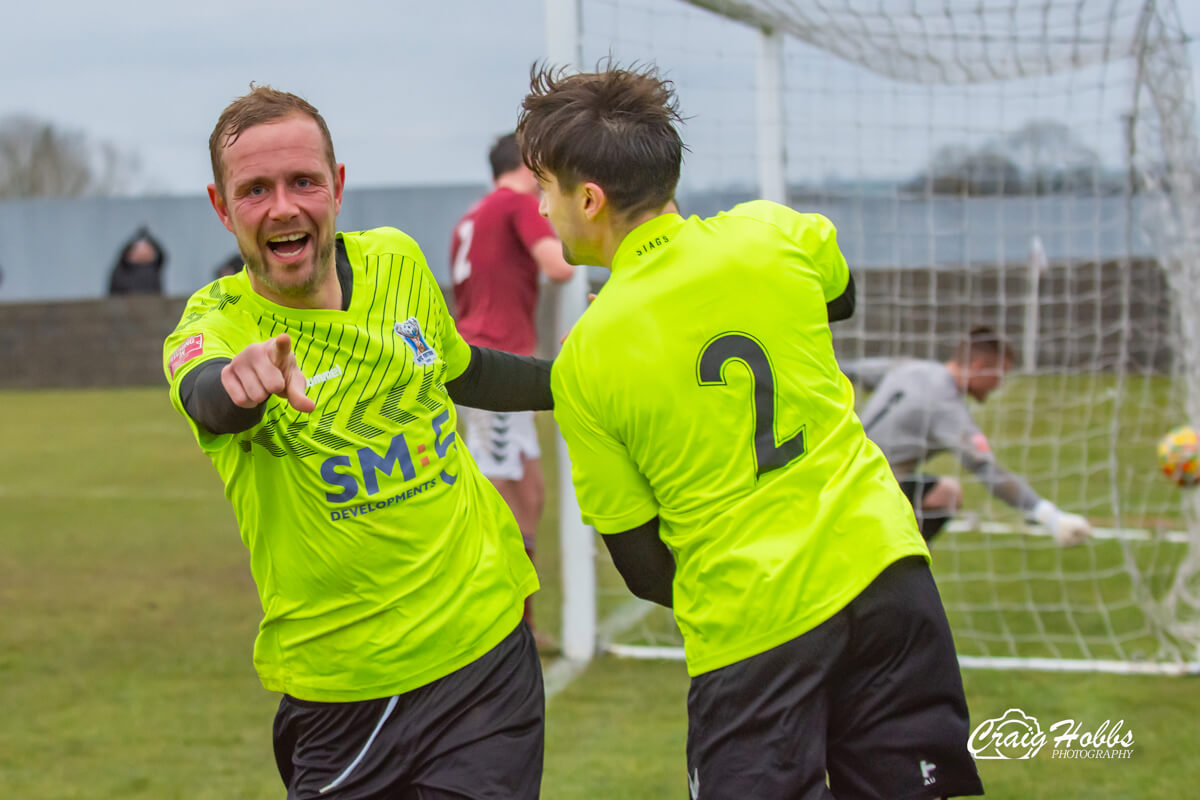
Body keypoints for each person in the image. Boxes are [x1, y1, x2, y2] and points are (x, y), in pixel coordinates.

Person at [520, 64, 984, 798]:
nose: (541, 208)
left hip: (753, 631)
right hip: (888, 576)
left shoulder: (586, 358)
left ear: (588, 197)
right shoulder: (774, 232)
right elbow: (840, 298)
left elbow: (643, 568)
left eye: (543, 187)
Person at [162, 86, 549, 800]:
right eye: (254, 190)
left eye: (303, 181)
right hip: (342, 693)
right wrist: (239, 384)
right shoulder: (215, 326)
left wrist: (580, 381)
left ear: (337, 188)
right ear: (222, 209)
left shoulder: (397, 262)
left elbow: (465, 369)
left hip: (484, 655)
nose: (283, 207)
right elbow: (206, 394)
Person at [450, 132, 574, 644]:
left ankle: (521, 621)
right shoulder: (518, 204)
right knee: (503, 499)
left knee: (529, 492)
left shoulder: (472, 216)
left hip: (488, 363)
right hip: (494, 370)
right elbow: (559, 266)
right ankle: (503, 626)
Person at [855, 326, 1093, 547]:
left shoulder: (909, 367)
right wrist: (1050, 517)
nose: (999, 385)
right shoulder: (946, 405)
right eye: (999, 375)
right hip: (868, 488)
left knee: (938, 492)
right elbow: (987, 470)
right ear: (979, 367)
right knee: (948, 493)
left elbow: (851, 369)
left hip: (841, 471)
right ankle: (890, 563)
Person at [108, 226, 166, 294]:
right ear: (130, 255)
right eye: (139, 251)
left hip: (152, 303)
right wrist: (134, 239)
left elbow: (161, 254)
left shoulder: (153, 268)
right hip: (128, 303)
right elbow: (123, 254)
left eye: (147, 251)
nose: (143, 254)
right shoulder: (123, 269)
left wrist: (150, 238)